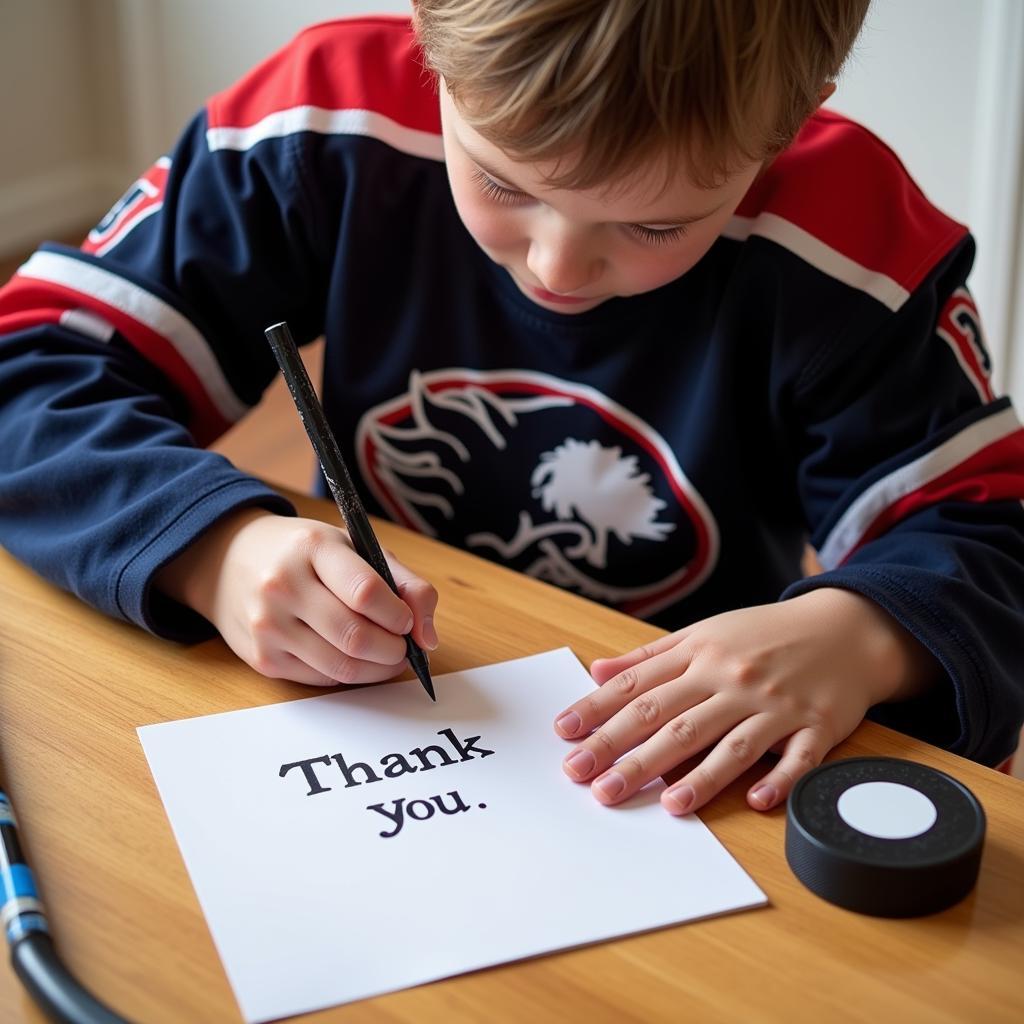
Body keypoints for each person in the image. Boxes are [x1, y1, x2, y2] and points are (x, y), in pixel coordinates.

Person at [1, 1, 1022, 818]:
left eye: (654, 223)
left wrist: (853, 637)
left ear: (790, 120)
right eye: (500, 179)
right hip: (366, 703)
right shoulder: (318, 124)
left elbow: (988, 538)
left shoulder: (856, 248)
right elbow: (31, 368)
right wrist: (214, 550)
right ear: (429, 29)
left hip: (680, 770)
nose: (555, 265)